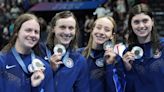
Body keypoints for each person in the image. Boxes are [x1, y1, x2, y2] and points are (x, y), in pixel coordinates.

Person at [0, 13, 54, 92]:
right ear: (16, 32)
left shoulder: (45, 67)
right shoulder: (2, 62)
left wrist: (36, 87)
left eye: (36, 32)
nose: (33, 35)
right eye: (28, 30)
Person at [39, 11, 90, 92]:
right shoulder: (39, 52)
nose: (67, 32)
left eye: (71, 28)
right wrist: (49, 70)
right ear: (53, 28)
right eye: (62, 27)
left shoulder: (79, 61)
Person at [122, 3, 164, 92]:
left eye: (145, 21)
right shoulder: (127, 54)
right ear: (131, 25)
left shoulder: (163, 46)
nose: (141, 26)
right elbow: (128, 88)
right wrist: (128, 70)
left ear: (152, 21)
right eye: (136, 22)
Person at [78, 16, 125, 92]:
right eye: (98, 28)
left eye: (107, 30)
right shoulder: (78, 55)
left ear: (112, 35)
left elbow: (117, 89)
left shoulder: (116, 60)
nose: (101, 32)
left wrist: (109, 66)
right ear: (92, 30)